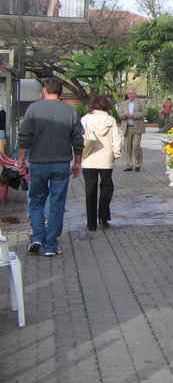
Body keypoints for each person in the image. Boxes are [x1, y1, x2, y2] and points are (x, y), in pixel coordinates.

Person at [16, 77, 83, 257]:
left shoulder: (34, 109)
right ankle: (51, 244)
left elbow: (25, 138)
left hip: (38, 163)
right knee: (57, 203)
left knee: (36, 200)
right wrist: (78, 162)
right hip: (61, 164)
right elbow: (78, 139)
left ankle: (37, 236)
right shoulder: (70, 111)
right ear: (61, 93)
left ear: (45, 91)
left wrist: (21, 161)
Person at [82, 95, 122, 230]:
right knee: (107, 187)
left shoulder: (85, 119)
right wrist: (116, 153)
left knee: (90, 191)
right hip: (106, 158)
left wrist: (78, 156)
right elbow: (116, 139)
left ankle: (91, 223)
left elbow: (80, 138)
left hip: (89, 159)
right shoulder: (110, 120)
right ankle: (103, 217)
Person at [118, 87, 146, 171]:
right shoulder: (123, 103)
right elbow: (119, 114)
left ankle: (138, 164)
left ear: (135, 93)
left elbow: (145, 112)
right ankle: (129, 165)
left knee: (136, 145)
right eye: (129, 93)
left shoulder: (141, 102)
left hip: (137, 127)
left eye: (132, 93)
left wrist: (134, 115)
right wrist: (124, 115)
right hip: (127, 127)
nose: (130, 95)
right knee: (127, 147)